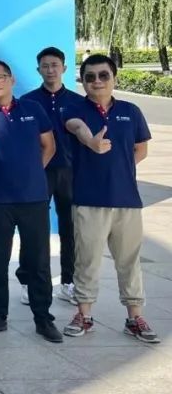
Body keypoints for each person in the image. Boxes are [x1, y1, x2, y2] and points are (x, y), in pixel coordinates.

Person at [62, 55, 160, 343]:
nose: (97, 81)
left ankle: (134, 318)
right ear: (83, 81)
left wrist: (119, 171)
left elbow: (141, 149)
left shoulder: (131, 111)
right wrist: (91, 142)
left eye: (103, 75)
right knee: (87, 260)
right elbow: (76, 127)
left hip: (127, 201)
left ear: (114, 77)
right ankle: (84, 315)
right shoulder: (74, 109)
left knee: (129, 261)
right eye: (90, 77)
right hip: (88, 200)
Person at [0, 60, 62, 343]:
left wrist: (32, 172)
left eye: (1, 77)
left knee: (38, 261)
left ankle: (43, 318)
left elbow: (49, 146)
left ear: (12, 80)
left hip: (33, 198)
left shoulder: (32, 109)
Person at [19, 47, 84, 306]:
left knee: (70, 228)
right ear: (38, 70)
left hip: (71, 172)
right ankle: (29, 281)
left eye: (55, 65)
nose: (50, 70)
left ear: (64, 68)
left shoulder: (78, 102)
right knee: (33, 229)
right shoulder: (27, 101)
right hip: (39, 171)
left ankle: (68, 281)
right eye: (45, 66)